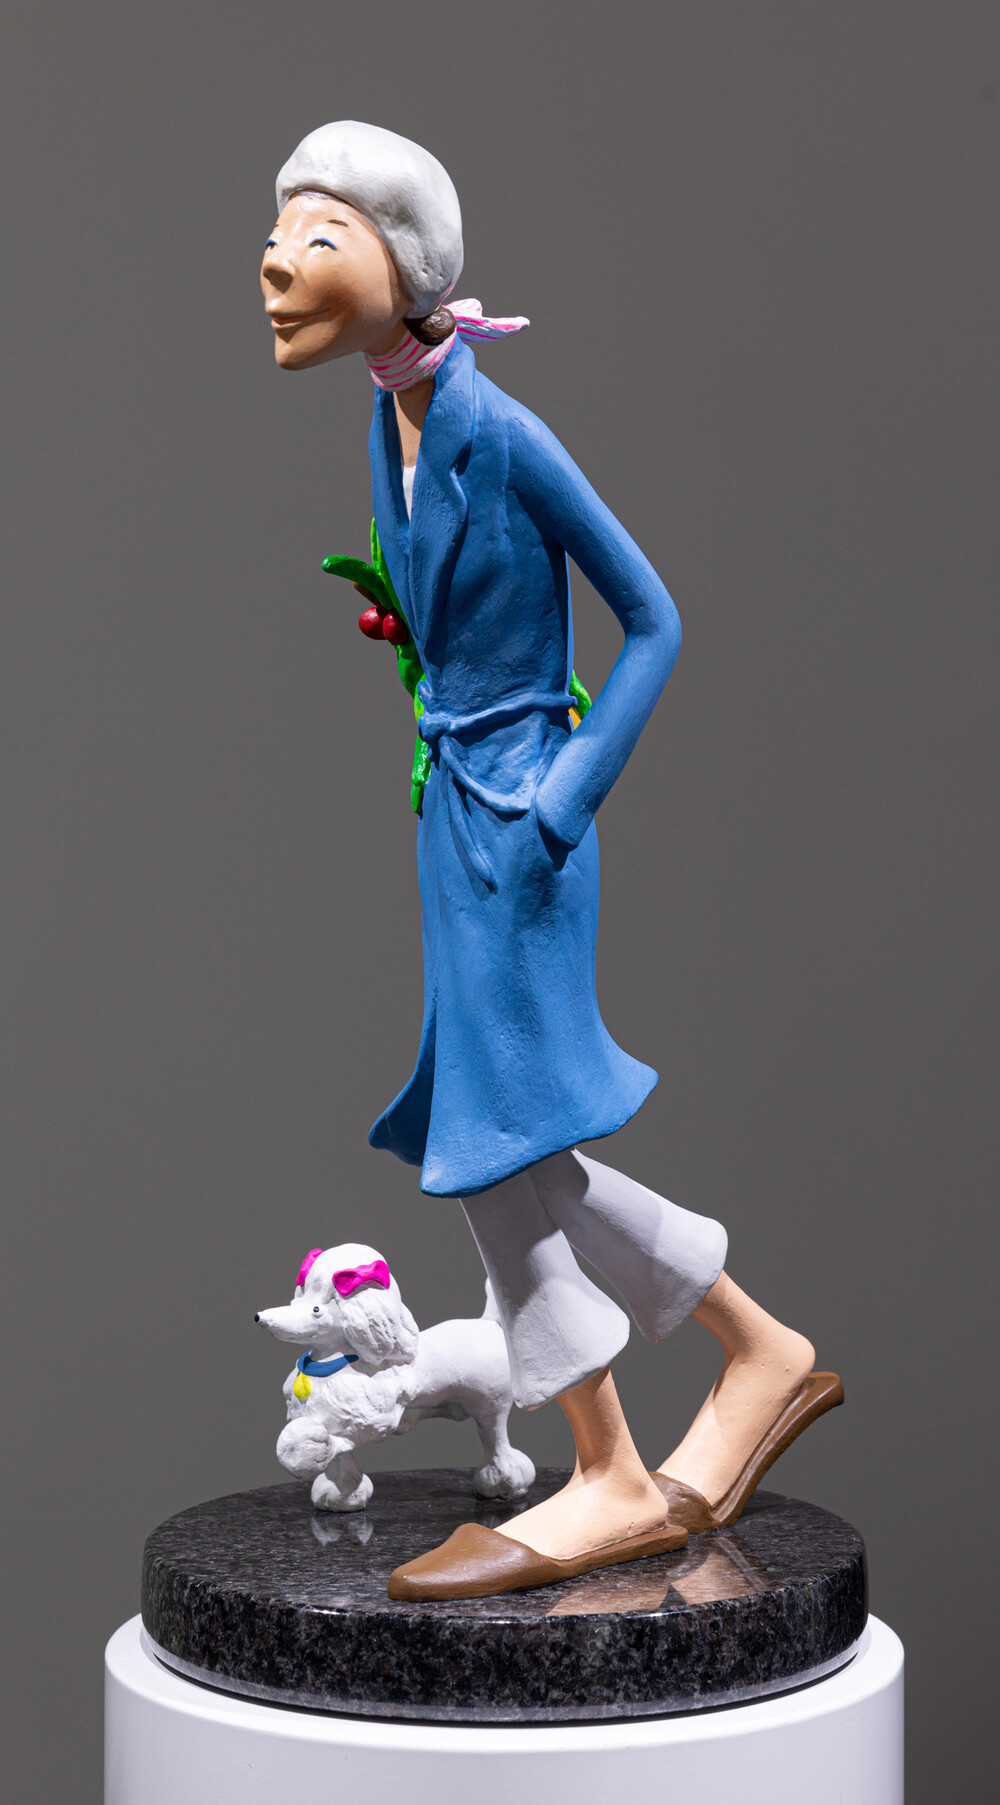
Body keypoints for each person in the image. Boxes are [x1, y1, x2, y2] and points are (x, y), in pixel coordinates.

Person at [260, 120, 842, 1599]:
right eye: (278, 233)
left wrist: (561, 800)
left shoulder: (502, 430)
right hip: (453, 818)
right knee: (514, 1143)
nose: (275, 263)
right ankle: (761, 1350)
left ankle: (611, 1471)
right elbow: (462, 606)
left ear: (408, 268)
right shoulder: (389, 420)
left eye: (319, 236)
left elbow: (655, 617)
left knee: (492, 1145)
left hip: (517, 825)